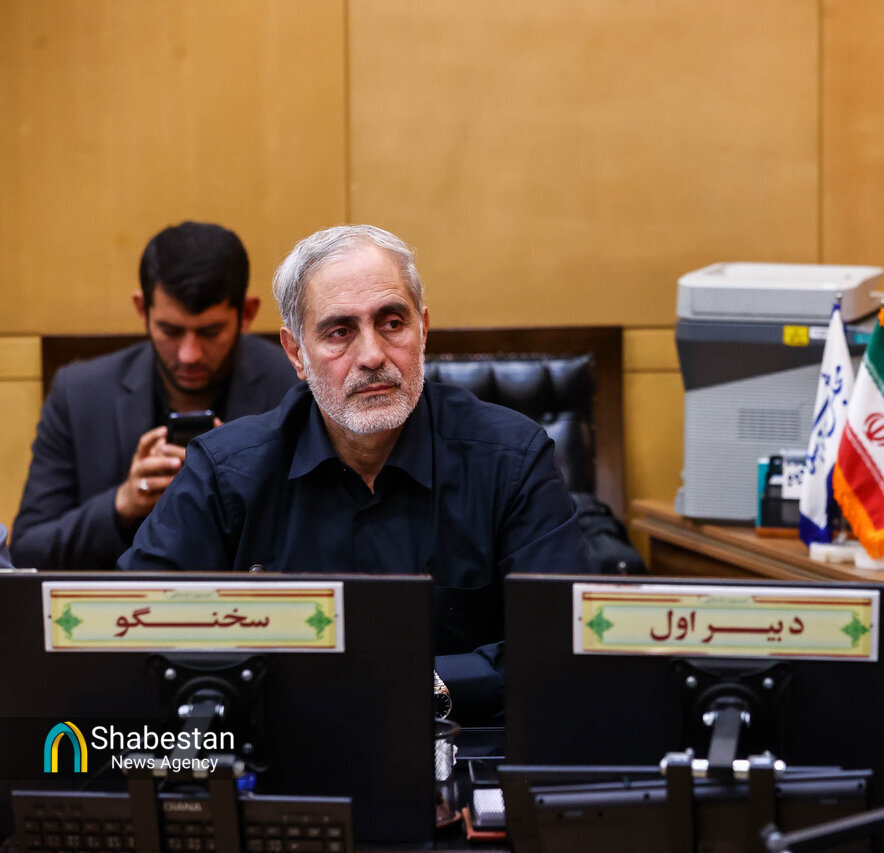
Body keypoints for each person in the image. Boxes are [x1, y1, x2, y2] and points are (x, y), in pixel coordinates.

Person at [119, 224, 590, 724]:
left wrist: (417, 688)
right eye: (339, 332)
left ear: (423, 330)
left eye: (393, 323)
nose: (372, 356)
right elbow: (128, 628)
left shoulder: (512, 459)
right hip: (278, 752)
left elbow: (562, 643)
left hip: (460, 748)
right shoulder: (226, 471)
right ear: (296, 354)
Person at [10, 222, 300, 572]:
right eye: (170, 331)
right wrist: (122, 504)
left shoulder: (293, 388)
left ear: (247, 314)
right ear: (141, 309)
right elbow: (27, 551)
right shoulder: (79, 394)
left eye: (210, 332)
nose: (189, 354)